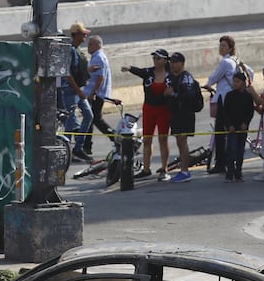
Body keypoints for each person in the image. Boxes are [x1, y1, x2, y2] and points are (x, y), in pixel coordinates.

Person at [124, 49, 173, 181]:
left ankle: (164, 169)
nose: (155, 61)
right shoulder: (149, 72)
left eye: (158, 58)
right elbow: (139, 71)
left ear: (165, 61)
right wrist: (129, 68)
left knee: (163, 139)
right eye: (154, 58)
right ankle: (146, 169)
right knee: (147, 139)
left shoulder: (170, 75)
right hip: (149, 109)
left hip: (164, 110)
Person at [202, 35, 241, 175]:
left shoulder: (225, 62)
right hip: (233, 100)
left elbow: (214, 77)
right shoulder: (235, 60)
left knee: (220, 133)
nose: (221, 48)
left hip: (224, 100)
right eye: (220, 45)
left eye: (224, 45)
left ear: (230, 48)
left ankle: (221, 163)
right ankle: (231, 160)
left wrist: (207, 84)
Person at [165, 51, 202, 182]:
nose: (172, 64)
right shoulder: (173, 77)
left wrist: (172, 94)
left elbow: (188, 97)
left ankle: (185, 171)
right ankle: (183, 170)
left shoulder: (186, 78)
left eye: (175, 62)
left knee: (182, 141)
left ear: (182, 63)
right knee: (179, 142)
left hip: (184, 114)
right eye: (171, 62)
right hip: (176, 113)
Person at [217, 72, 256, 182]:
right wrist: (229, 125)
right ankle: (229, 173)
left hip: (242, 128)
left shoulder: (247, 96)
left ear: (243, 83)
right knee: (231, 150)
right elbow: (225, 112)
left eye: (237, 81)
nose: (235, 84)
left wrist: (245, 123)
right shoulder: (229, 96)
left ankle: (238, 172)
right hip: (232, 128)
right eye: (234, 81)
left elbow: (250, 112)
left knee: (240, 151)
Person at [64, 22, 94, 160]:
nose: (85, 37)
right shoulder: (70, 50)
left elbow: (78, 70)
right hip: (71, 91)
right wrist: (78, 91)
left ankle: (78, 147)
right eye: (83, 34)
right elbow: (67, 73)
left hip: (78, 89)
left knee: (88, 115)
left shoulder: (77, 50)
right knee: (70, 121)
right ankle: (66, 150)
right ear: (76, 35)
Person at [81, 34, 114, 153]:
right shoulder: (97, 56)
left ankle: (116, 138)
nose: (88, 47)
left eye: (90, 44)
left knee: (95, 119)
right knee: (90, 119)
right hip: (94, 93)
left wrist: (93, 92)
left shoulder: (98, 57)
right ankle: (87, 146)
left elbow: (100, 77)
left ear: (98, 45)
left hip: (96, 94)